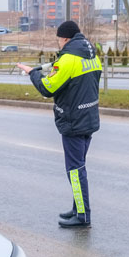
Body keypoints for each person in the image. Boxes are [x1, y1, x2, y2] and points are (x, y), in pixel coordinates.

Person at [16, 20, 102, 228]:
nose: (60, 45)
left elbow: (48, 88)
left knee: (74, 170)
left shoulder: (68, 59)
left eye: (60, 41)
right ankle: (77, 208)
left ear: (65, 38)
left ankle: (82, 216)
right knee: (78, 167)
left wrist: (32, 73)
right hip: (89, 117)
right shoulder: (92, 55)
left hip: (73, 121)